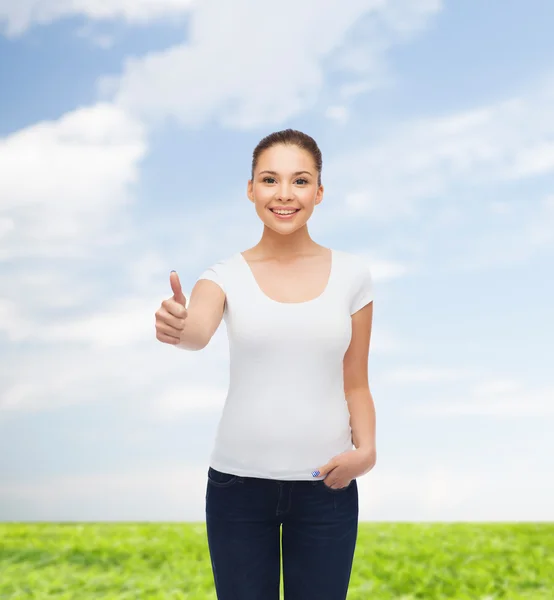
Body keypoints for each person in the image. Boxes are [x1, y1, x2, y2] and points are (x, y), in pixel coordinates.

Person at [154, 129, 376, 600]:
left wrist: (367, 450)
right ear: (251, 189)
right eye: (270, 179)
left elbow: (355, 380)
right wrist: (178, 325)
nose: (284, 194)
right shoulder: (223, 275)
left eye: (300, 181)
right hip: (238, 487)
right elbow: (196, 332)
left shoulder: (353, 276)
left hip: (327, 487)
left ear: (319, 191)